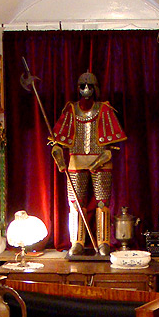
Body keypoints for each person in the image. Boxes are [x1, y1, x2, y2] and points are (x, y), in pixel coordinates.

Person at [51, 71, 126, 256]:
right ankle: (76, 241)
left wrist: (102, 158)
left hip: (101, 161)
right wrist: (59, 159)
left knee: (102, 203)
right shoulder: (71, 110)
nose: (86, 90)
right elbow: (57, 143)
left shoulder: (104, 110)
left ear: (95, 88)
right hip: (76, 160)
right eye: (83, 86)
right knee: (75, 203)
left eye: (89, 86)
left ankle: (103, 242)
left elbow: (111, 148)